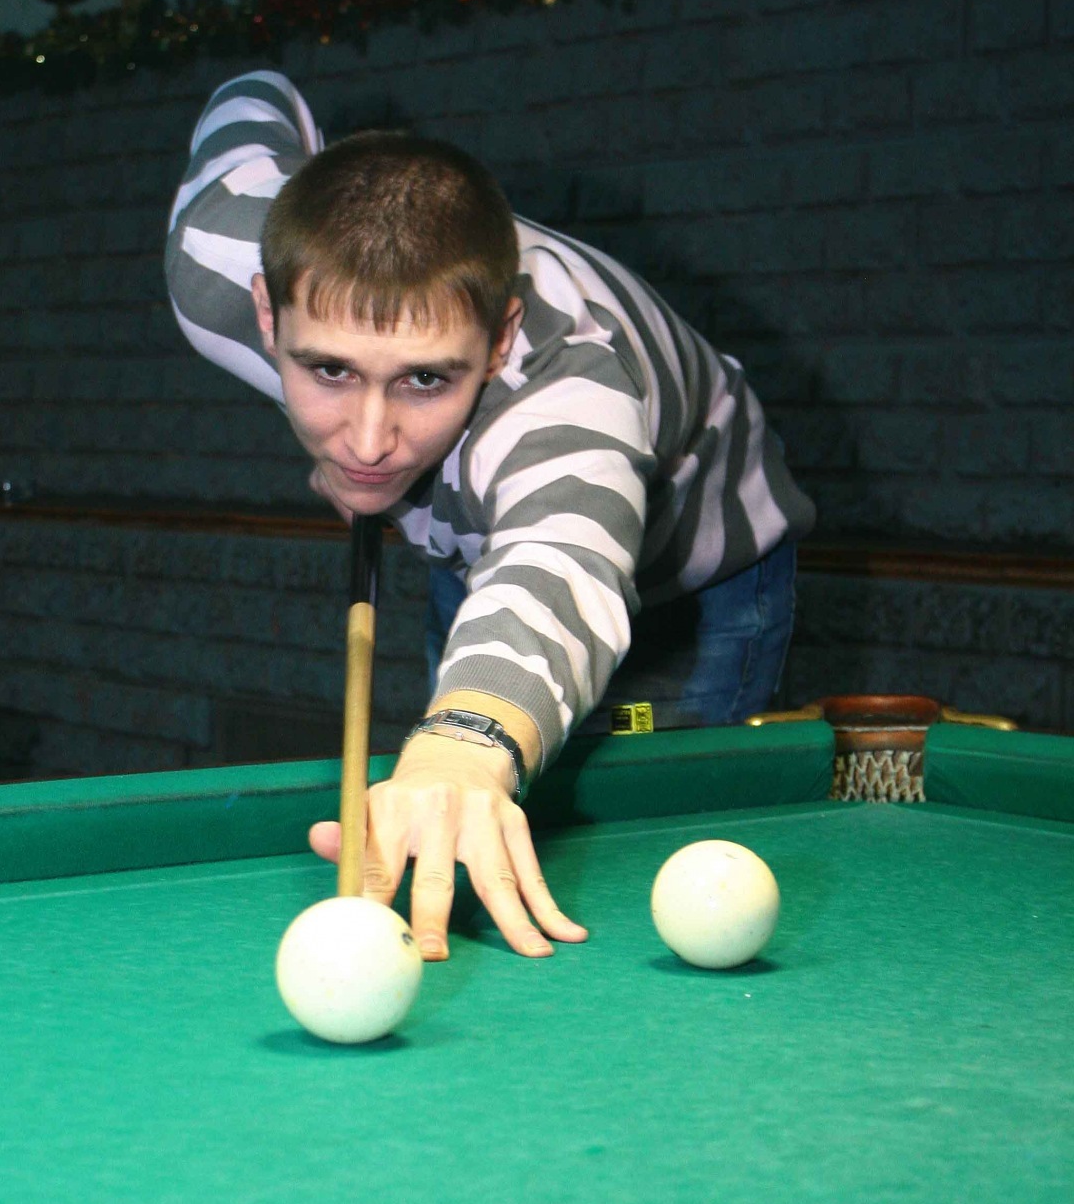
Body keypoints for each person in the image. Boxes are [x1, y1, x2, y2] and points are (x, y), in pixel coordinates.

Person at [166, 70, 814, 962]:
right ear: (265, 314)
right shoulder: (211, 257)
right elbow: (252, 93)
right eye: (330, 370)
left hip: (695, 570)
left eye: (425, 379)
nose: (369, 441)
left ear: (501, 338)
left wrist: (462, 745)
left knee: (542, 784)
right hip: (481, 548)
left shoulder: (567, 387)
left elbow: (557, 564)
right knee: (466, 794)